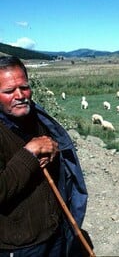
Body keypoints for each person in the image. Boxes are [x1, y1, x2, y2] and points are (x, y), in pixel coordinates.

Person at [0, 56, 88, 256]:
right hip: (20, 244)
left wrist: (53, 148)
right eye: (9, 91)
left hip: (53, 232)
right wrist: (29, 153)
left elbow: (51, 147)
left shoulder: (35, 118)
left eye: (24, 87)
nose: (20, 95)